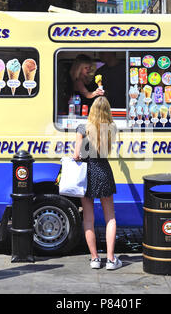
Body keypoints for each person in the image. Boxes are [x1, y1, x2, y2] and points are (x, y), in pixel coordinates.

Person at [73, 96, 122, 270]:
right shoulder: (111, 129)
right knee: (110, 217)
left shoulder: (82, 128)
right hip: (103, 172)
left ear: (92, 110)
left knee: (88, 218)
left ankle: (94, 258)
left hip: (86, 175)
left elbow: (76, 155)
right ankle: (110, 260)